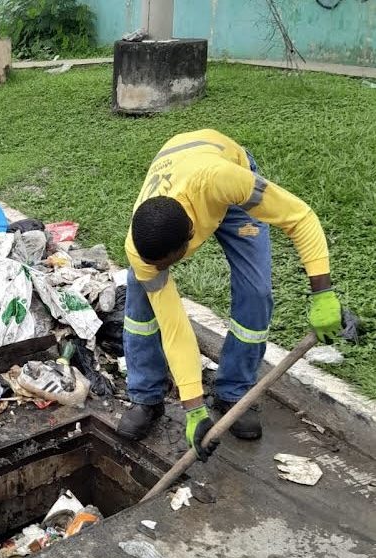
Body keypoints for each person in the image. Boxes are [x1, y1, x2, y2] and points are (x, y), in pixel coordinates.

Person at [120, 129, 342, 461]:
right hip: (175, 165)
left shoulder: (227, 181)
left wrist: (322, 294)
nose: (160, 270)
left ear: (191, 239)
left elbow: (300, 217)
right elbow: (176, 327)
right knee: (140, 304)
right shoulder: (142, 248)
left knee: (256, 292)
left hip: (222, 170)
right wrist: (194, 409)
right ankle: (146, 396)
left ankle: (234, 393)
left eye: (166, 264)